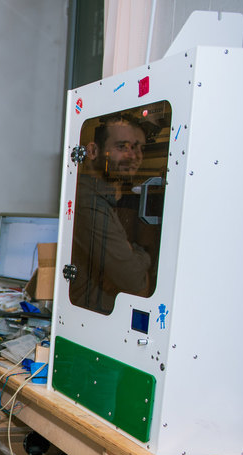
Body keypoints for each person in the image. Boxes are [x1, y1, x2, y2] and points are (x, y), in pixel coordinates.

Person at [69, 113, 155, 314]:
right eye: (122, 146)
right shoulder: (88, 201)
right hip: (91, 317)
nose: (134, 156)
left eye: (139, 148)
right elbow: (133, 279)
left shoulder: (110, 199)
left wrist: (128, 258)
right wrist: (143, 257)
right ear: (92, 151)